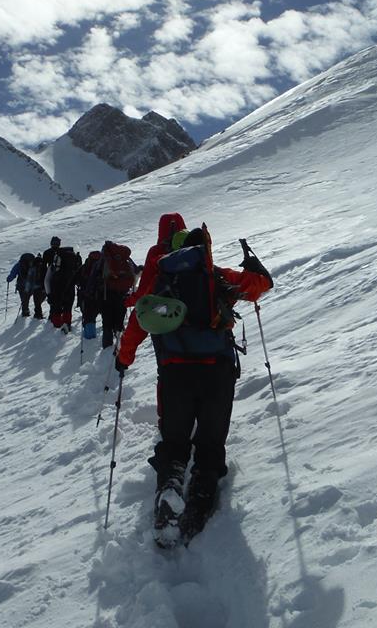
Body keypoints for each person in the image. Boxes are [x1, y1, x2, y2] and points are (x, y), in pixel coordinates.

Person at [115, 213, 273, 544]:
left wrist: (123, 358)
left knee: (174, 444)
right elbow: (260, 286)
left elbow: (137, 323)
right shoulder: (216, 276)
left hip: (174, 373)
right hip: (216, 371)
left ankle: (170, 489)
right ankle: (198, 507)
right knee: (210, 445)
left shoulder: (161, 282)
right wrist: (257, 269)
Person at [96, 240, 139, 349]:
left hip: (106, 294)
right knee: (119, 318)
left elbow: (95, 276)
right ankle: (121, 344)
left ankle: (107, 348)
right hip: (123, 293)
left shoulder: (104, 259)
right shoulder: (125, 257)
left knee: (107, 322)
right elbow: (136, 270)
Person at [45, 245, 81, 333]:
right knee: (67, 308)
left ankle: (56, 328)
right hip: (70, 289)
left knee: (56, 308)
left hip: (56, 289)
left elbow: (47, 279)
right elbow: (78, 278)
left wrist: (48, 294)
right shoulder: (74, 262)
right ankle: (67, 325)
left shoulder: (55, 264)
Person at [76, 250, 103, 339]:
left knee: (88, 317)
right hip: (102, 296)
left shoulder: (85, 267)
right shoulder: (103, 266)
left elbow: (76, 279)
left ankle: (89, 337)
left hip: (86, 296)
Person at [6, 252, 37, 317]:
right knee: (31, 298)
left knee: (24, 299)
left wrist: (9, 279)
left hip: (21, 285)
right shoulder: (34, 264)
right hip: (32, 285)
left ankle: (25, 311)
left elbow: (13, 274)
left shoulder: (19, 264)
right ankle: (36, 311)